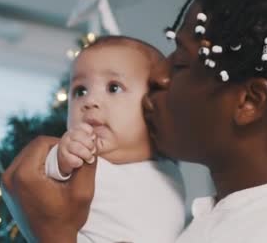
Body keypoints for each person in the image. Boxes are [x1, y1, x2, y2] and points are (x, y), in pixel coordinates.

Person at [2, 0, 267, 243]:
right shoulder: (221, 220)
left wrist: (52, 232)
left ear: (248, 101)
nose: (158, 74)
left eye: (180, 61)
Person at [45, 35, 186, 243]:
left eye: (113, 88)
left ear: (153, 104)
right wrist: (61, 158)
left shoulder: (169, 171)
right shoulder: (82, 163)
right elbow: (40, 179)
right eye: (80, 91)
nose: (90, 101)